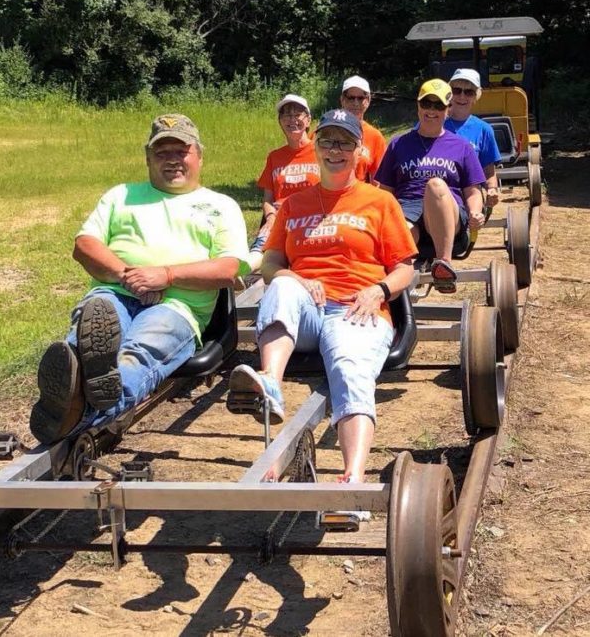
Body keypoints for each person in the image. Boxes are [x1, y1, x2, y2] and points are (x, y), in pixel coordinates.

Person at [30, 113, 249, 444]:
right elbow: (84, 245)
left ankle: (73, 412)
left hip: (177, 306)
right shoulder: (121, 196)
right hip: (114, 292)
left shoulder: (221, 206)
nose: (172, 160)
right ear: (148, 158)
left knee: (139, 352)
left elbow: (228, 269)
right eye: (162, 153)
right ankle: (79, 390)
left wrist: (165, 275)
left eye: (181, 151)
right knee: (89, 338)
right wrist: (127, 276)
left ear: (199, 156)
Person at [229, 109, 416, 487]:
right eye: (328, 140)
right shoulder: (294, 205)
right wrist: (296, 278)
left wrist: (377, 290)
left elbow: (405, 269)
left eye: (345, 142)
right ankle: (270, 382)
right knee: (280, 286)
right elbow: (270, 265)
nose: (335, 149)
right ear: (315, 146)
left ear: (359, 150)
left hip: (356, 310)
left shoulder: (379, 203)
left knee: (350, 370)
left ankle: (352, 480)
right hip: (307, 313)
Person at [374, 79, 486, 294]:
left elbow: (472, 190)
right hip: (408, 209)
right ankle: (396, 278)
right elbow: (385, 191)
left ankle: (443, 264)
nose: (431, 111)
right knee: (401, 231)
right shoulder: (399, 144)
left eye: (438, 106)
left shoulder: (461, 146)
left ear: (448, 109)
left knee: (435, 185)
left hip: (447, 212)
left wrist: (475, 212)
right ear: (418, 106)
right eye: (427, 104)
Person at [247, 94, 320, 271]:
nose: (292, 120)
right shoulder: (275, 157)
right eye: (286, 115)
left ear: (308, 119)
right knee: (263, 244)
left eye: (298, 114)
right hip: (279, 218)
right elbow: (268, 199)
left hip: (310, 218)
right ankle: (243, 271)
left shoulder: (320, 152)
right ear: (280, 121)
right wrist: (271, 217)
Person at [445, 68, 502, 207]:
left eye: (469, 92)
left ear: (476, 96)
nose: (462, 97)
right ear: (449, 93)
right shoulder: (433, 122)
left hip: (468, 197)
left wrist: (492, 190)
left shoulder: (484, 130)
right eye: (457, 90)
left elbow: (488, 172)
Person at [340, 75, 387, 184]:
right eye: (351, 98)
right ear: (342, 99)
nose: (356, 103)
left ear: (368, 100)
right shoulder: (326, 131)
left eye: (361, 98)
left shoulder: (375, 137)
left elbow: (378, 181)